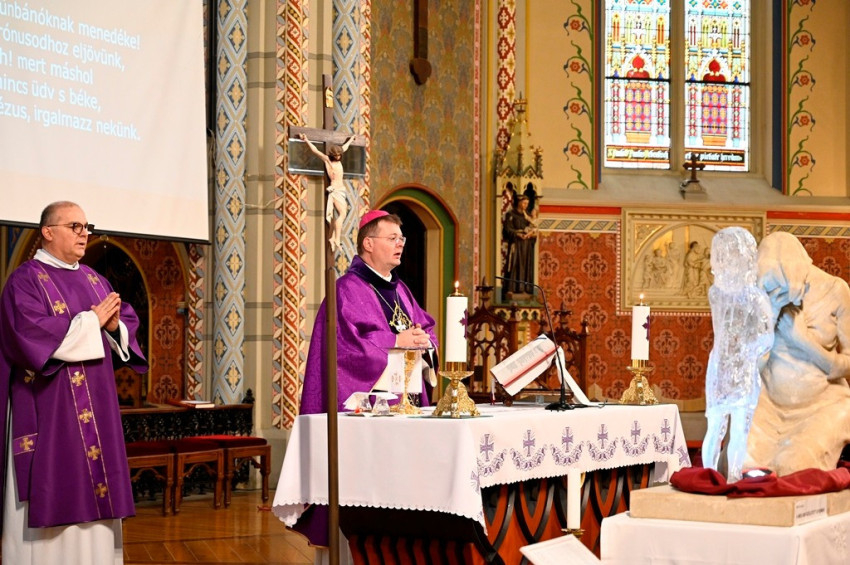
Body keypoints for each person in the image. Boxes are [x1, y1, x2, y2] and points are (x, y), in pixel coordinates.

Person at [0, 201, 148, 564]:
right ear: (48, 232)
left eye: (87, 227)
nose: (85, 234)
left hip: (98, 413)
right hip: (49, 411)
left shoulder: (95, 280)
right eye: (75, 226)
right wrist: (91, 322)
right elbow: (29, 335)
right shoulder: (25, 280)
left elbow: (124, 323)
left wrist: (114, 327)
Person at [299, 209, 438, 415]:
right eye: (392, 238)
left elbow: (426, 327)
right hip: (370, 409)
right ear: (368, 244)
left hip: (408, 404)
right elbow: (344, 349)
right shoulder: (346, 290)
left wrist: (425, 342)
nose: (400, 244)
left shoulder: (401, 290)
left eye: (401, 239)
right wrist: (396, 341)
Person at [746, 231, 850, 476]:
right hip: (767, 405)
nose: (773, 294)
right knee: (744, 467)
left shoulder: (835, 290)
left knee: (794, 467)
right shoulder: (760, 294)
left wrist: (803, 341)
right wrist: (770, 318)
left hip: (823, 405)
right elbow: (747, 367)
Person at [702, 227, 773, 482]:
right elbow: (766, 334)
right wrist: (750, 349)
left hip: (739, 368)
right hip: (722, 367)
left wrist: (749, 351)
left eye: (723, 256)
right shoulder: (719, 293)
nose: (717, 265)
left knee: (735, 429)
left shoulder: (750, 296)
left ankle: (730, 476)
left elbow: (767, 336)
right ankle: (710, 475)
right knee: (717, 427)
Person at [298, 133, 357, 252]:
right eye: (336, 155)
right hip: (335, 190)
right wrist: (306, 139)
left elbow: (345, 147)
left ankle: (333, 238)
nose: (338, 157)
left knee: (343, 213)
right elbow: (315, 151)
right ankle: (337, 239)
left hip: (341, 189)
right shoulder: (328, 160)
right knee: (342, 214)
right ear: (332, 155)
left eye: (339, 155)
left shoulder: (339, 157)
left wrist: (351, 139)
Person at [502, 194, 538, 296]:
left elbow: (533, 228)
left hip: (526, 245)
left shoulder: (527, 216)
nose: (525, 205)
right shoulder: (511, 214)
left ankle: (524, 288)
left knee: (525, 266)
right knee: (514, 264)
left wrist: (530, 235)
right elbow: (507, 229)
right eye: (524, 203)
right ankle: (512, 288)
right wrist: (517, 234)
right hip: (516, 243)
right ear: (519, 202)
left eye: (527, 204)